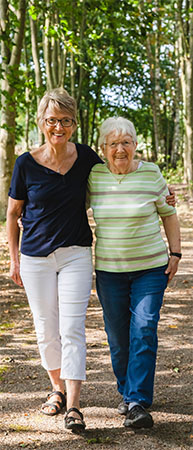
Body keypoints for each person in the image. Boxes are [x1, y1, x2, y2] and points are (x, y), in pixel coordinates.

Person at [6, 88, 102, 432]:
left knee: (72, 328)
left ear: (74, 124)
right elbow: (12, 212)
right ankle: (56, 389)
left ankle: (74, 406)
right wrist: (14, 259)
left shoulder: (88, 157)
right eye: (51, 120)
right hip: (35, 259)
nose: (57, 127)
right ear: (41, 123)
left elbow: (119, 179)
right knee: (46, 329)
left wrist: (158, 190)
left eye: (65, 120)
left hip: (76, 252)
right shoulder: (25, 163)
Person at [87, 117, 181, 429]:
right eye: (113, 143)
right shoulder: (94, 176)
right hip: (110, 271)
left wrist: (176, 253)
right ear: (103, 148)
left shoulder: (152, 173)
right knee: (117, 336)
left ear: (135, 145)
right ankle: (127, 393)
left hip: (150, 268)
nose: (120, 149)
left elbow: (168, 213)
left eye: (126, 142)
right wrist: (29, 219)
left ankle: (138, 400)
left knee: (143, 328)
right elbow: (64, 203)